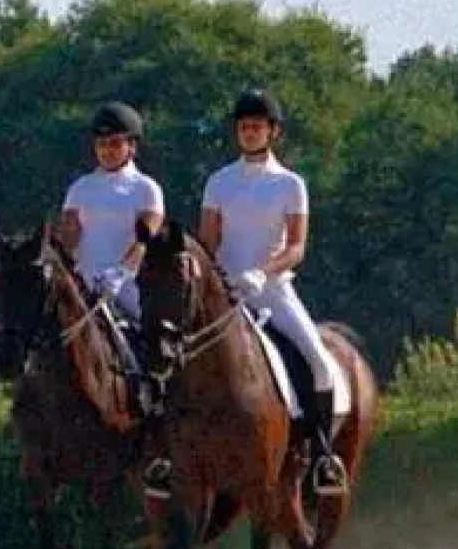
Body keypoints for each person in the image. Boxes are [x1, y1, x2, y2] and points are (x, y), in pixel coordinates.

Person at [175, 87, 348, 496]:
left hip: (272, 290)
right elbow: (207, 241)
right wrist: (211, 278)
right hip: (225, 292)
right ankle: (168, 453)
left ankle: (322, 455)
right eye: (244, 127)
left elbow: (296, 247)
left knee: (319, 360)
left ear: (273, 132)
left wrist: (260, 273)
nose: (249, 133)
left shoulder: (290, 184)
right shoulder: (219, 182)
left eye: (257, 127)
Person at [59, 101, 164, 328]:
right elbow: (67, 238)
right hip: (85, 288)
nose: (107, 150)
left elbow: (144, 240)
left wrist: (121, 273)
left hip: (129, 289)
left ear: (132, 146)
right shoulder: (80, 188)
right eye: (101, 144)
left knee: (158, 346)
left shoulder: (146, 188)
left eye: (115, 143)